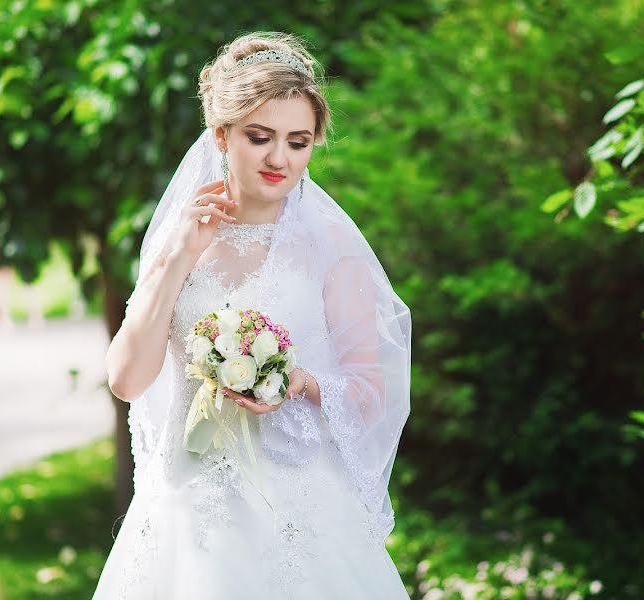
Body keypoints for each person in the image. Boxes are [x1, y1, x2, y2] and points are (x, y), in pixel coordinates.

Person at [94, 31, 412, 599]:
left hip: (299, 510)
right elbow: (125, 379)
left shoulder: (331, 249)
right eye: (260, 137)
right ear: (221, 134)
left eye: (299, 141)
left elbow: (371, 393)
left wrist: (300, 382)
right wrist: (178, 257)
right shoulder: (179, 237)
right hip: (187, 512)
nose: (279, 159)